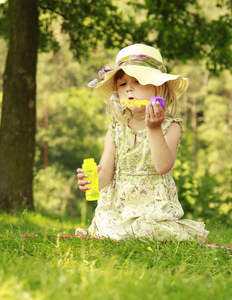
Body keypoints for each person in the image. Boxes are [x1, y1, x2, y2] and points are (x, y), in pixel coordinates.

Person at [76, 43, 209, 242]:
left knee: (145, 230)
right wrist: (92, 180)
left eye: (138, 81)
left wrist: (154, 129)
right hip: (118, 210)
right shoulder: (115, 131)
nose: (129, 88)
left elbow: (163, 166)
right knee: (111, 227)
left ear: (158, 87)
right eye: (122, 84)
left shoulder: (169, 127)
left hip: (152, 211)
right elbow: (106, 174)